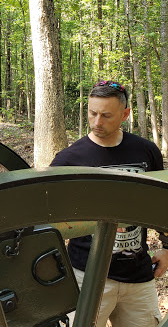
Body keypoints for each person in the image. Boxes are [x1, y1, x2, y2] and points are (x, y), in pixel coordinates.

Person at [50, 80, 168, 327]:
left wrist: (167, 247)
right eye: (92, 113)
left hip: (138, 277)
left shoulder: (146, 151)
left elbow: (162, 202)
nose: (96, 122)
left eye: (106, 115)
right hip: (86, 276)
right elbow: (46, 216)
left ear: (125, 114)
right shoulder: (69, 159)